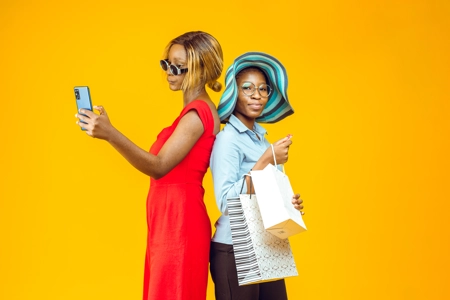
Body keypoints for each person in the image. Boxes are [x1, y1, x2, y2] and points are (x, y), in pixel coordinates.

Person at [75, 31, 223, 300]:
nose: (169, 71)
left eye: (178, 66)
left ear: (201, 69)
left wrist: (111, 134)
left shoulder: (197, 114)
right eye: (166, 63)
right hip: (168, 220)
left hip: (180, 222)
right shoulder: (191, 112)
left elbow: (159, 166)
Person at [209, 52, 304, 300]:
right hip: (235, 248)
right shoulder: (227, 139)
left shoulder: (262, 139)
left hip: (266, 243)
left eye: (263, 89)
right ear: (233, 93)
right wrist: (264, 161)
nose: (257, 95)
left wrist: (288, 205)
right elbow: (225, 201)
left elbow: (264, 191)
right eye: (247, 88)